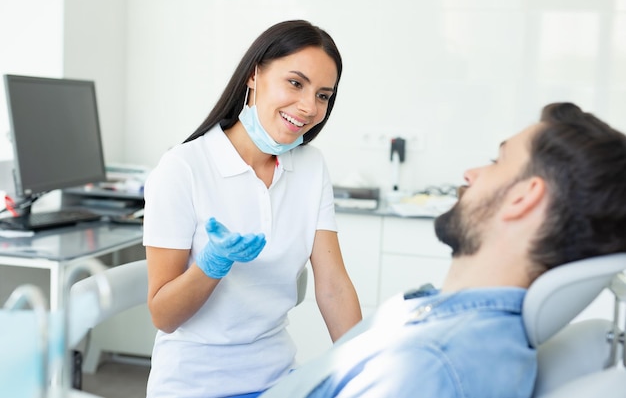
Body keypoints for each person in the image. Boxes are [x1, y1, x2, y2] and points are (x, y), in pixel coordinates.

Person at [259, 102, 626, 398]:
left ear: (523, 197)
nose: (470, 173)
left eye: (497, 161)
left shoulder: (430, 364)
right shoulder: (440, 321)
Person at [142, 20, 362, 398]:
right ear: (253, 75)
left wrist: (367, 367)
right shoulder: (184, 168)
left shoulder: (310, 166)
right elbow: (164, 316)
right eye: (295, 83)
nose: (309, 107)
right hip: (195, 385)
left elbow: (333, 287)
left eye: (323, 95)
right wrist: (211, 266)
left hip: (277, 379)